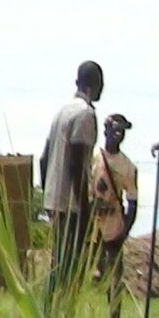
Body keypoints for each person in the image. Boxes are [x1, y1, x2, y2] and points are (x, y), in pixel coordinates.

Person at [39, 60, 105, 303]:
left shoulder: (62, 112)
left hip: (54, 200)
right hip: (72, 204)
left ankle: (47, 317)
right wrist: (85, 209)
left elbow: (44, 159)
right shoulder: (85, 115)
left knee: (58, 263)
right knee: (71, 267)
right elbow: (78, 165)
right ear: (94, 84)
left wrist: (47, 194)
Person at [93, 113, 138, 318]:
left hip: (113, 226)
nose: (117, 135)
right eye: (115, 130)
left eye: (121, 132)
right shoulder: (92, 156)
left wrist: (124, 231)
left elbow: (133, 201)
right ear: (106, 131)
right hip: (90, 225)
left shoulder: (128, 167)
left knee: (114, 280)